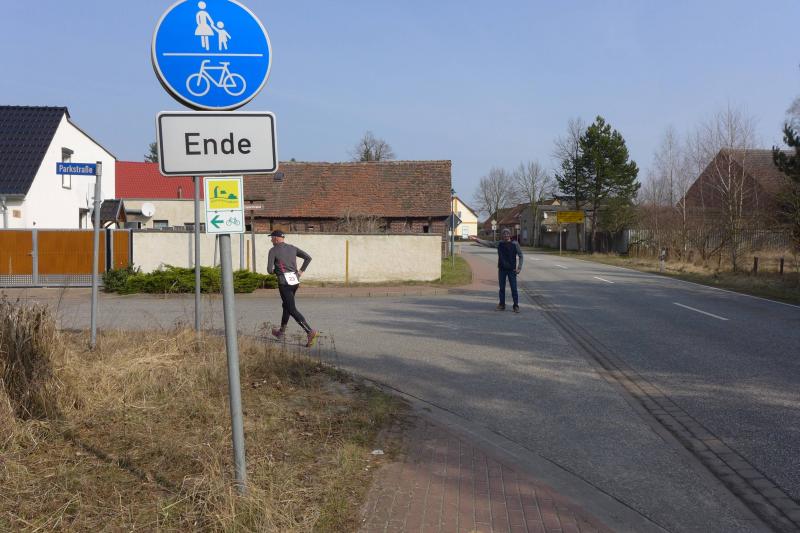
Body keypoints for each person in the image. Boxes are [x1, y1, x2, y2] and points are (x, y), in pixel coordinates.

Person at [266, 230, 319, 347]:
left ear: (276, 238)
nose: (271, 240)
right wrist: (300, 272)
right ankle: (281, 332)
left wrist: (277, 271)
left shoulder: (273, 250)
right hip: (295, 281)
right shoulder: (293, 248)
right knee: (286, 306)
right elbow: (308, 258)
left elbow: (269, 270)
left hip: (284, 282)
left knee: (291, 308)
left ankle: (309, 331)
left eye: (271, 238)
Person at [497, 228, 523, 312]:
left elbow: (521, 256)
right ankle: (502, 305)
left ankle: (516, 306)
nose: (506, 235)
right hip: (502, 269)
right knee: (502, 288)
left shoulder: (515, 244)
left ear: (510, 235)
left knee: (514, 288)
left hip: (512, 270)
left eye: (507, 234)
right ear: (502, 235)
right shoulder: (499, 243)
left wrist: (519, 268)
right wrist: (477, 240)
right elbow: (488, 243)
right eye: (504, 234)